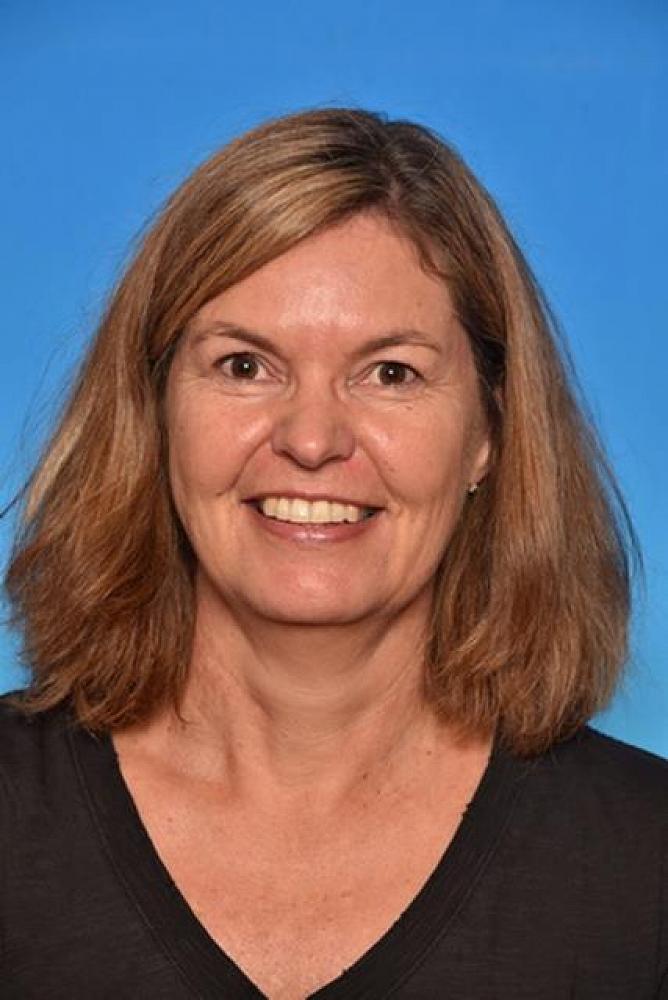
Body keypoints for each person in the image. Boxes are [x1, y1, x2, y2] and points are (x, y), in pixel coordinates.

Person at [0, 107, 665, 1000]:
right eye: (245, 366)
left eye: (390, 373)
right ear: (154, 411)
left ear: (488, 434)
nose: (312, 440)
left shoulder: (646, 869)